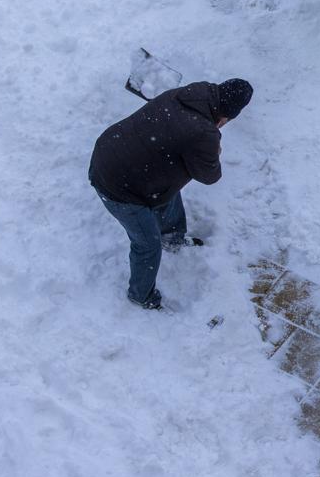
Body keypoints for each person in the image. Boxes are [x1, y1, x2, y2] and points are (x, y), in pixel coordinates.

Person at [88, 79, 253, 310]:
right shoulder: (204, 133)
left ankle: (172, 238)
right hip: (117, 186)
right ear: (227, 116)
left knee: (167, 193)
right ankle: (141, 295)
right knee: (147, 245)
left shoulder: (189, 94)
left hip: (110, 151)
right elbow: (209, 176)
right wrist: (216, 147)